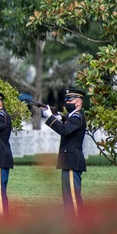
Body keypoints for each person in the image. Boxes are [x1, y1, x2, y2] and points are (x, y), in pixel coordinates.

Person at [44, 87, 88, 216]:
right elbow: (67, 123)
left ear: (78, 102)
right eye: (66, 100)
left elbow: (64, 130)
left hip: (72, 161)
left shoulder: (77, 116)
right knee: (68, 197)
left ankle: (77, 225)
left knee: (72, 198)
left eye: (70, 100)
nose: (67, 102)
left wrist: (50, 118)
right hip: (69, 160)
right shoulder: (73, 116)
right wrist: (59, 117)